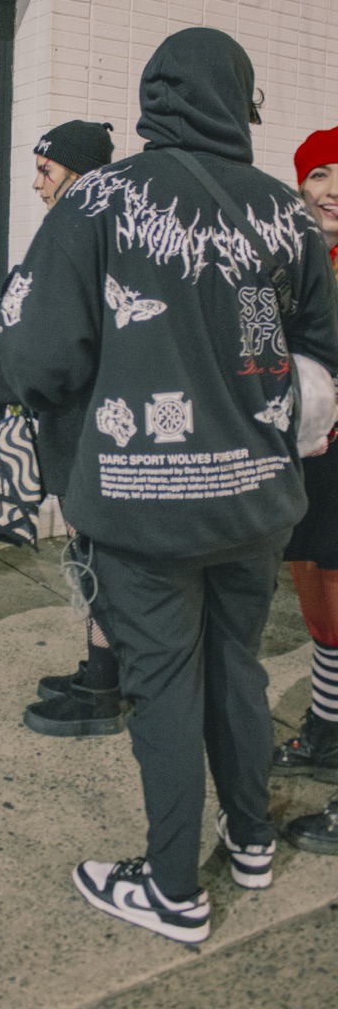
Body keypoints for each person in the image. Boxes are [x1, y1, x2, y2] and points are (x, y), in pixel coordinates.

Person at [0, 28, 338, 944]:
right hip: (259, 499)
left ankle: (173, 889)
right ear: (243, 100)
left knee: (163, 687)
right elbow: (319, 354)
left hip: (143, 500)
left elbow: (36, 352)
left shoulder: (99, 201)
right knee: (234, 665)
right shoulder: (287, 214)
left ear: (157, 94)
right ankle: (253, 840)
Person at [0, 119, 124, 738]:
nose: (38, 184)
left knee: (102, 560)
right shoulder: (88, 229)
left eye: (46, 170)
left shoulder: (88, 231)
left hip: (90, 426)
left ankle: (107, 682)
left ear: (78, 172)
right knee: (91, 556)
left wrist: (16, 379)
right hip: (77, 424)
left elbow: (54, 340)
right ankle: (103, 669)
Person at [280, 127, 338, 854]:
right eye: (320, 173)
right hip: (311, 463)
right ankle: (326, 728)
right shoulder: (293, 261)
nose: (332, 190)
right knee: (322, 600)